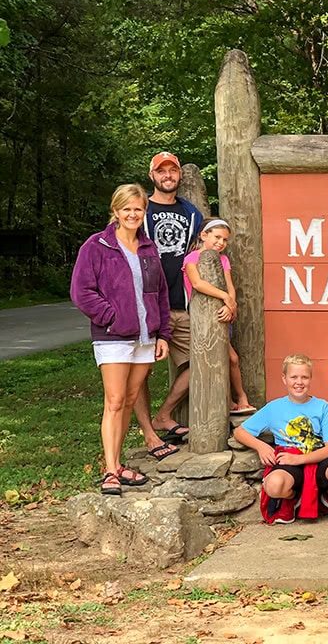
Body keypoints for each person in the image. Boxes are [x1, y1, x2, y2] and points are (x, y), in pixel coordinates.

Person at [71, 184, 171, 495]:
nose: (132, 214)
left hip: (145, 337)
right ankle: (111, 470)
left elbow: (161, 294)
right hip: (113, 337)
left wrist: (162, 333)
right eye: (126, 208)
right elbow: (81, 292)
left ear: (144, 212)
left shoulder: (149, 248)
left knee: (129, 400)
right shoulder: (96, 246)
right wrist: (113, 317)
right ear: (115, 211)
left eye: (138, 209)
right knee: (114, 401)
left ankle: (116, 463)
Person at [233, 354, 328, 525]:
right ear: (284, 379)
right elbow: (240, 432)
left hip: (318, 460)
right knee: (274, 485)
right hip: (288, 461)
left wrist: (299, 458)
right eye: (294, 377)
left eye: (304, 377)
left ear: (310, 379)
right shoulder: (274, 408)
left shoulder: (322, 406)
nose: (299, 382)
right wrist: (261, 447)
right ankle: (291, 499)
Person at [133, 151, 204, 459]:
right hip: (147, 307)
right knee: (139, 371)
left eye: (171, 170)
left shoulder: (191, 214)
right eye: (161, 171)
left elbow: (196, 251)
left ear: (178, 175)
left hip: (181, 305)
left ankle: (164, 414)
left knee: (201, 360)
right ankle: (149, 433)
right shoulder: (140, 211)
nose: (167, 175)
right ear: (152, 175)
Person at [182, 217, 254, 413]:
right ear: (203, 235)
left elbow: (230, 286)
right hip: (202, 319)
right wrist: (225, 297)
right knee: (219, 359)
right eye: (217, 237)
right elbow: (197, 284)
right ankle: (230, 400)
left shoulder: (223, 260)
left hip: (222, 315)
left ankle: (239, 397)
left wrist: (231, 305)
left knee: (230, 359)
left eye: (225, 240)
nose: (221, 242)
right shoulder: (192, 258)